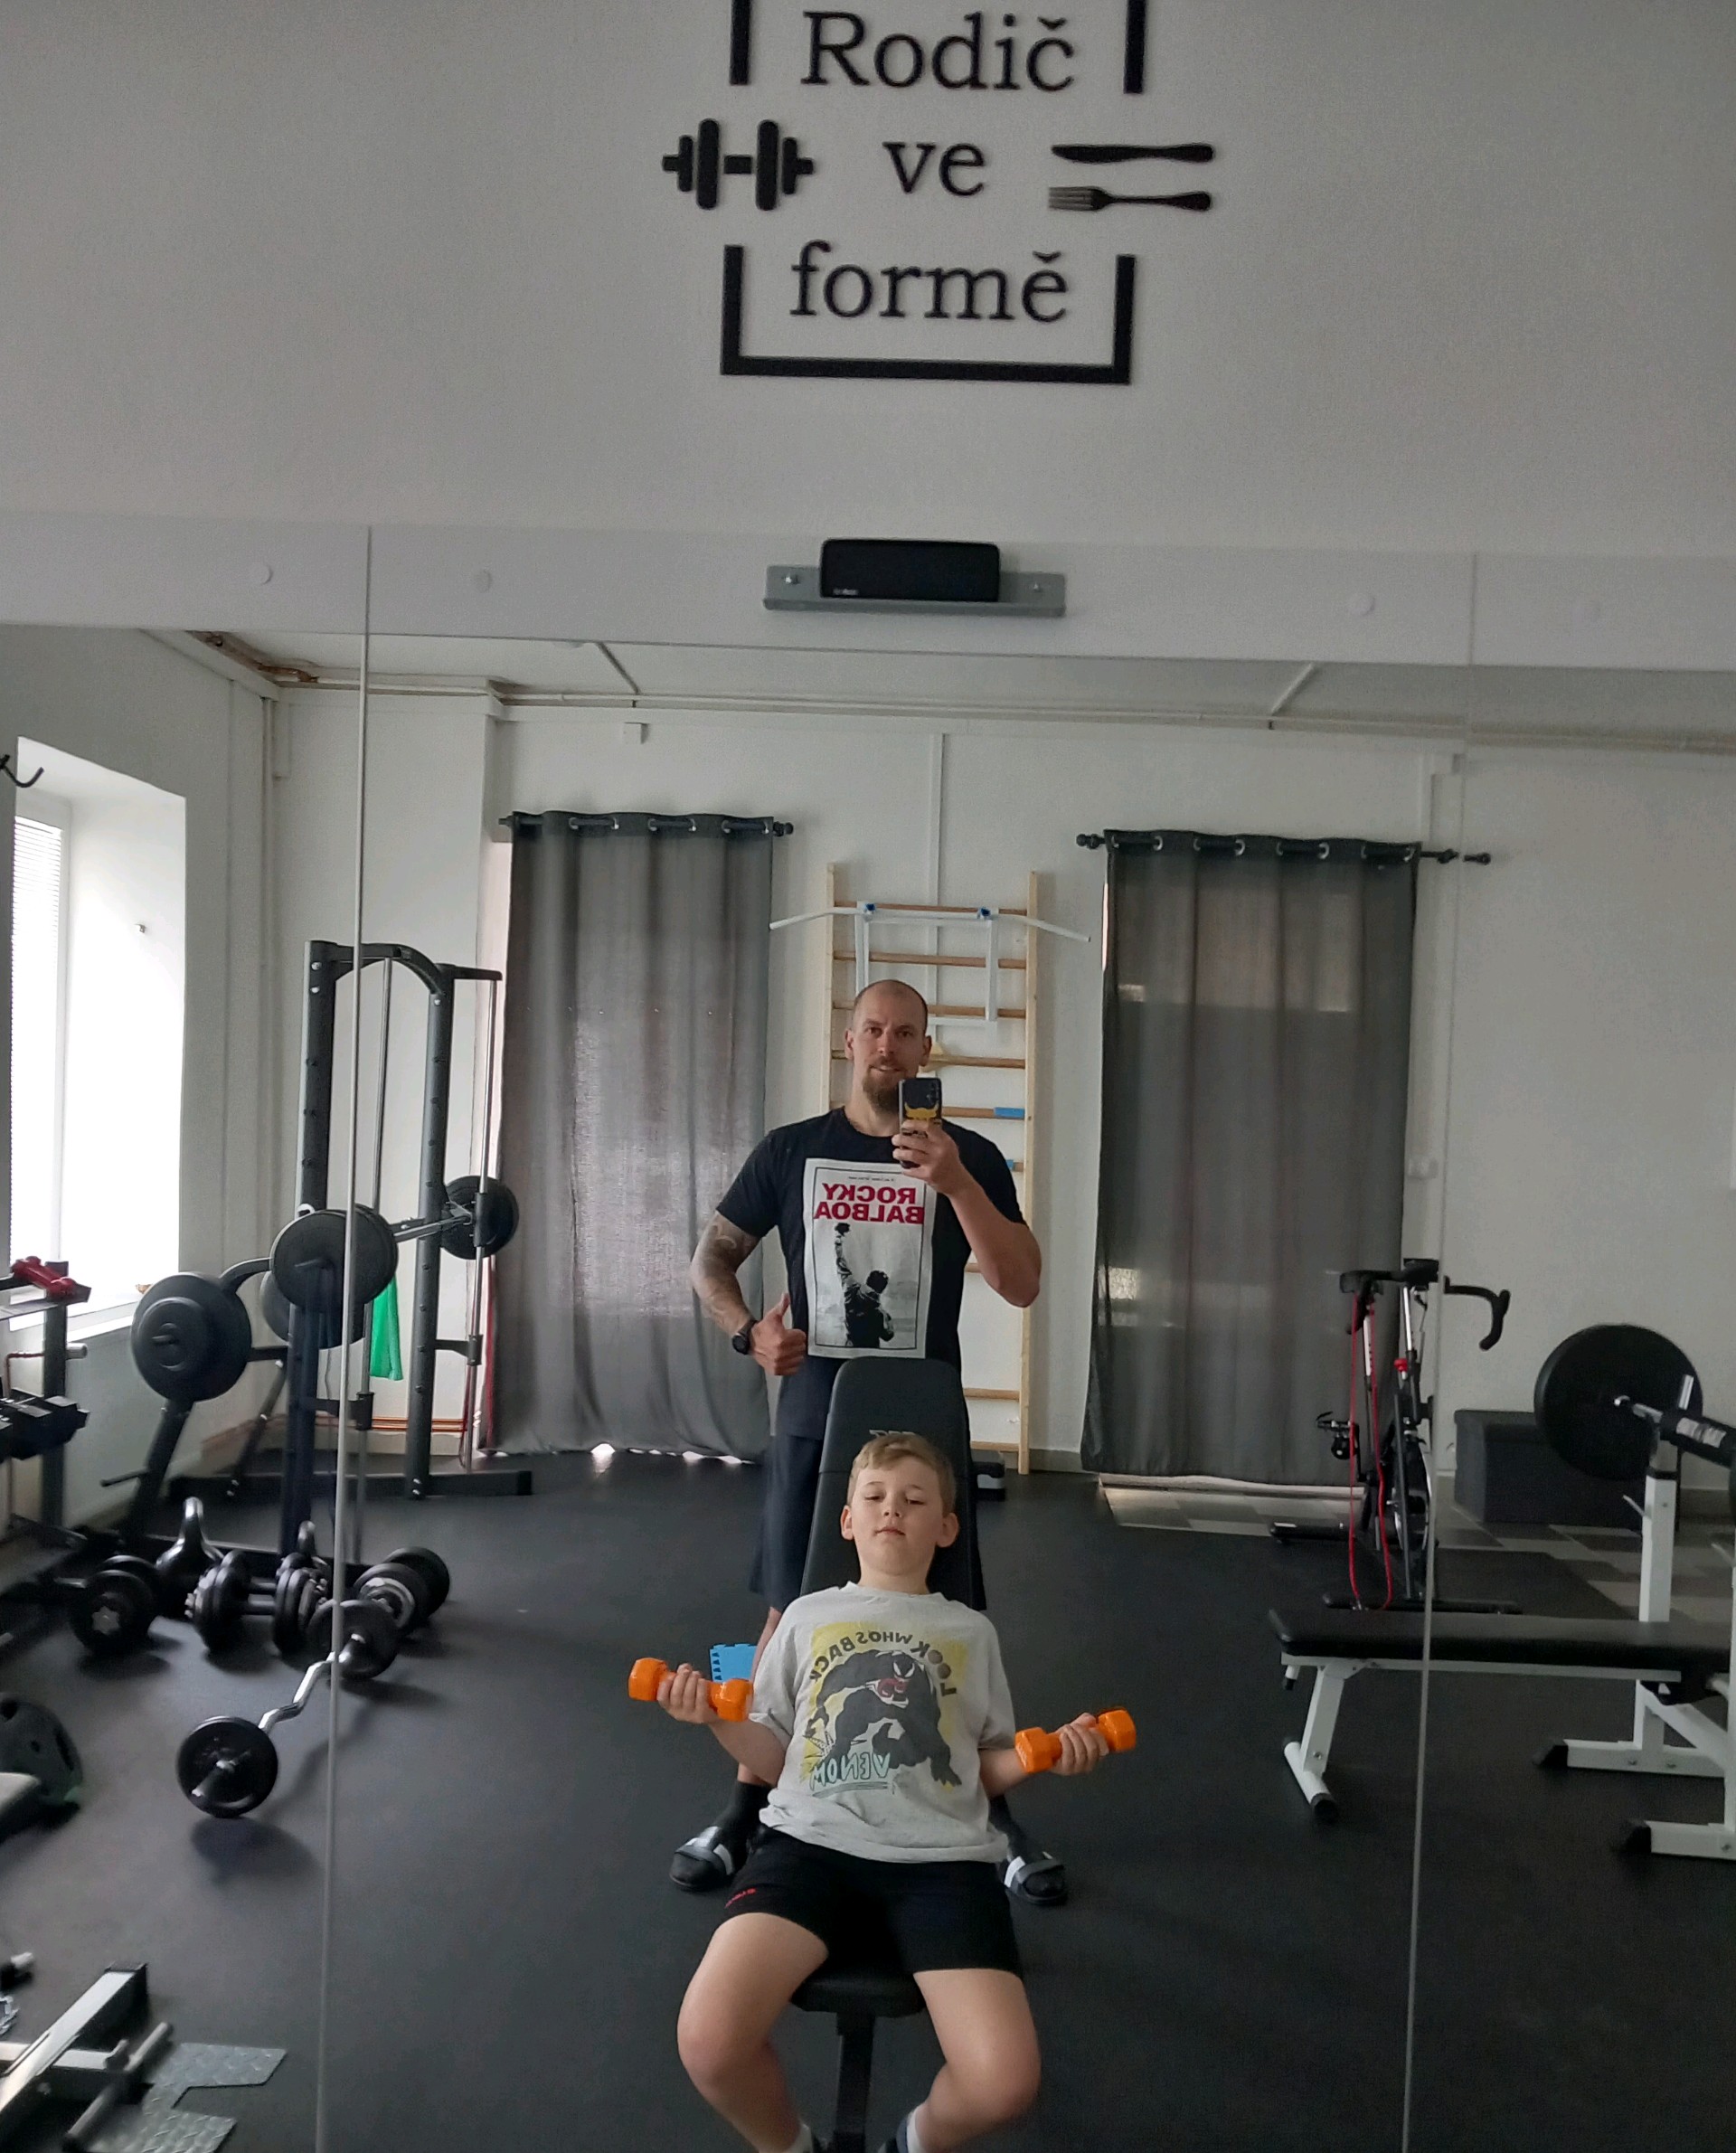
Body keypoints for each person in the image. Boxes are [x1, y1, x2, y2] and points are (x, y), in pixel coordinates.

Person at [682, 977, 1065, 1906]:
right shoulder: (790, 1150)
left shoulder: (970, 1156)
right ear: (848, 1041)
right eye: (873, 1029)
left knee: (952, 1620)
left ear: (925, 1052)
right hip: (816, 1413)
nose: (887, 1045)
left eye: (905, 1033)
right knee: (781, 1614)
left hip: (922, 1415)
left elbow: (1021, 1282)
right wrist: (748, 1332)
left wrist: (956, 1183)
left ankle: (997, 1817)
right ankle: (742, 1809)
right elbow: (711, 1259)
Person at [663, 1434, 1111, 2153]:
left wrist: (1050, 1754)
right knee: (709, 2041)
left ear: (947, 1526)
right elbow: (774, 1756)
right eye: (873, 1496)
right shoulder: (806, 1615)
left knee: (1004, 2081)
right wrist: (716, 1717)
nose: (891, 1509)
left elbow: (981, 1766)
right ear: (848, 1521)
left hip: (945, 1862)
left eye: (914, 1498)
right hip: (809, 1846)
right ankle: (791, 2148)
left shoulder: (971, 1632)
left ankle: (912, 2144)